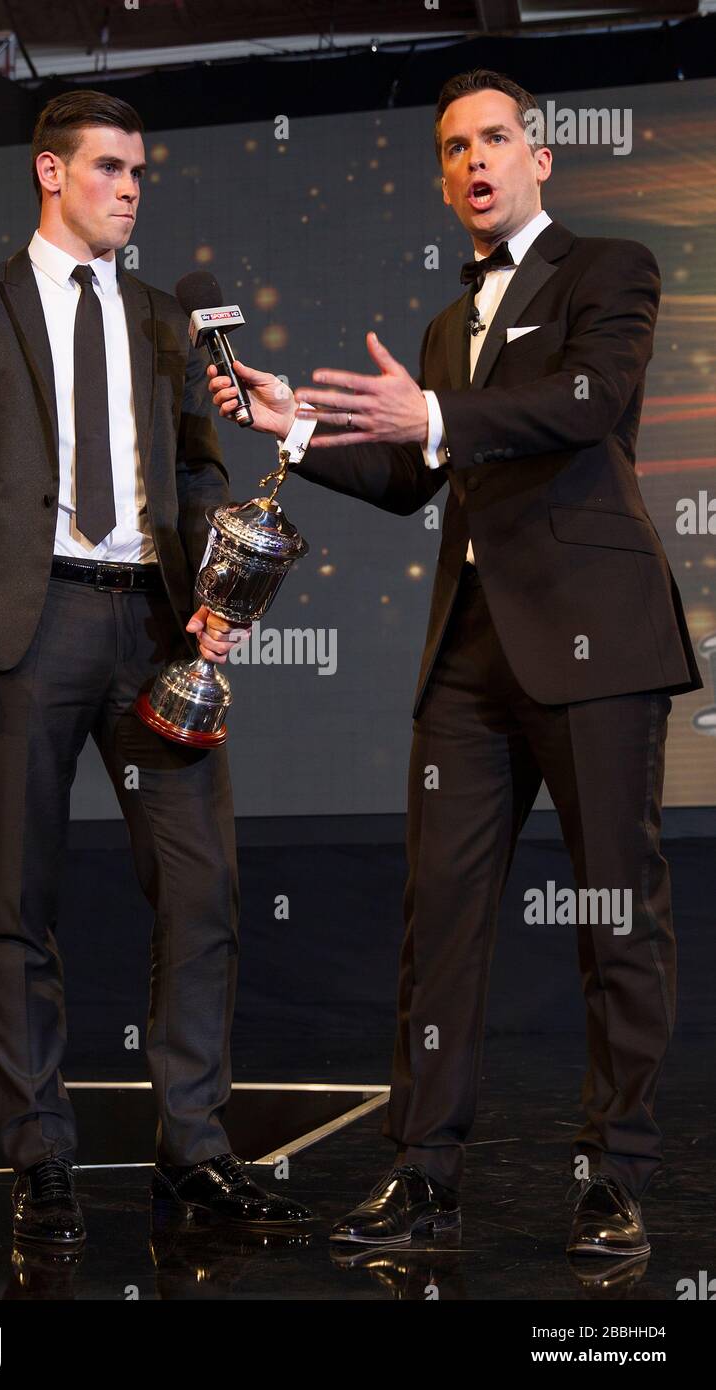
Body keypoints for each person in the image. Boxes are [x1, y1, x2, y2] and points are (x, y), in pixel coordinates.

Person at [207, 68, 702, 1257]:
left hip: (595, 639)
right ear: (441, 179)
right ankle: (423, 1179)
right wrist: (300, 428)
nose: (472, 162)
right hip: (469, 654)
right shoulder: (442, 325)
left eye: (492, 140)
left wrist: (431, 413)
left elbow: (583, 404)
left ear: (539, 156)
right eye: (450, 149)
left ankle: (615, 1177)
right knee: (439, 920)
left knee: (613, 912)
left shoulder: (609, 269)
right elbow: (414, 475)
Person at [0, 89, 313, 1247]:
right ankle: (40, 1160)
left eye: (139, 172)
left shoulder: (162, 316)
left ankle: (193, 1150)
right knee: (17, 904)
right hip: (27, 631)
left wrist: (216, 594)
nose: (130, 188)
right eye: (110, 168)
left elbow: (191, 476)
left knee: (202, 889)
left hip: (151, 626)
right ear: (47, 172)